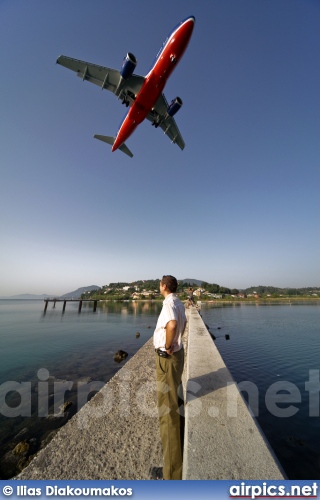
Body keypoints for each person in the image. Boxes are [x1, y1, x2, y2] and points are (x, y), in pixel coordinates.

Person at [153, 275, 186, 480]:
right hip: (177, 356)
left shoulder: (168, 303)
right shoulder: (179, 302)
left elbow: (172, 325)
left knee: (167, 412)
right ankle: (173, 464)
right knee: (175, 403)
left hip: (167, 358)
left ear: (164, 286)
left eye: (159, 284)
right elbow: (181, 324)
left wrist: (167, 346)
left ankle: (172, 475)